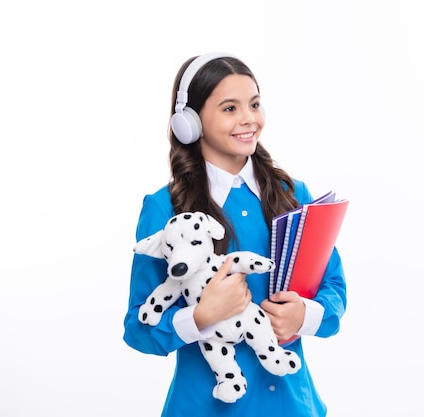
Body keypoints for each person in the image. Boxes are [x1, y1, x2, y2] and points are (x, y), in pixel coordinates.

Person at [123, 52, 347, 417]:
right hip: (203, 407)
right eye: (230, 108)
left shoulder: (294, 195)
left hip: (292, 405)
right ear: (190, 122)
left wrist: (303, 316)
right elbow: (137, 328)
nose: (249, 119)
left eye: (255, 104)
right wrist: (199, 316)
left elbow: (333, 288)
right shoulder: (165, 209)